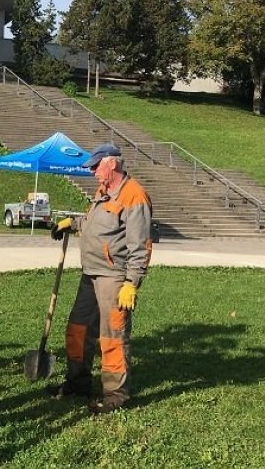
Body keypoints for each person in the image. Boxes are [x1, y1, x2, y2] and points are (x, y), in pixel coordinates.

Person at [48, 143, 153, 414]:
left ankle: (115, 394)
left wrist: (132, 283)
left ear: (113, 164)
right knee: (77, 328)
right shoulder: (103, 191)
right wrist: (71, 223)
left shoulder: (134, 196)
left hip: (114, 278)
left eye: (96, 166)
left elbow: (140, 245)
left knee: (112, 336)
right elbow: (93, 223)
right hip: (90, 275)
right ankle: (78, 381)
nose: (93, 171)